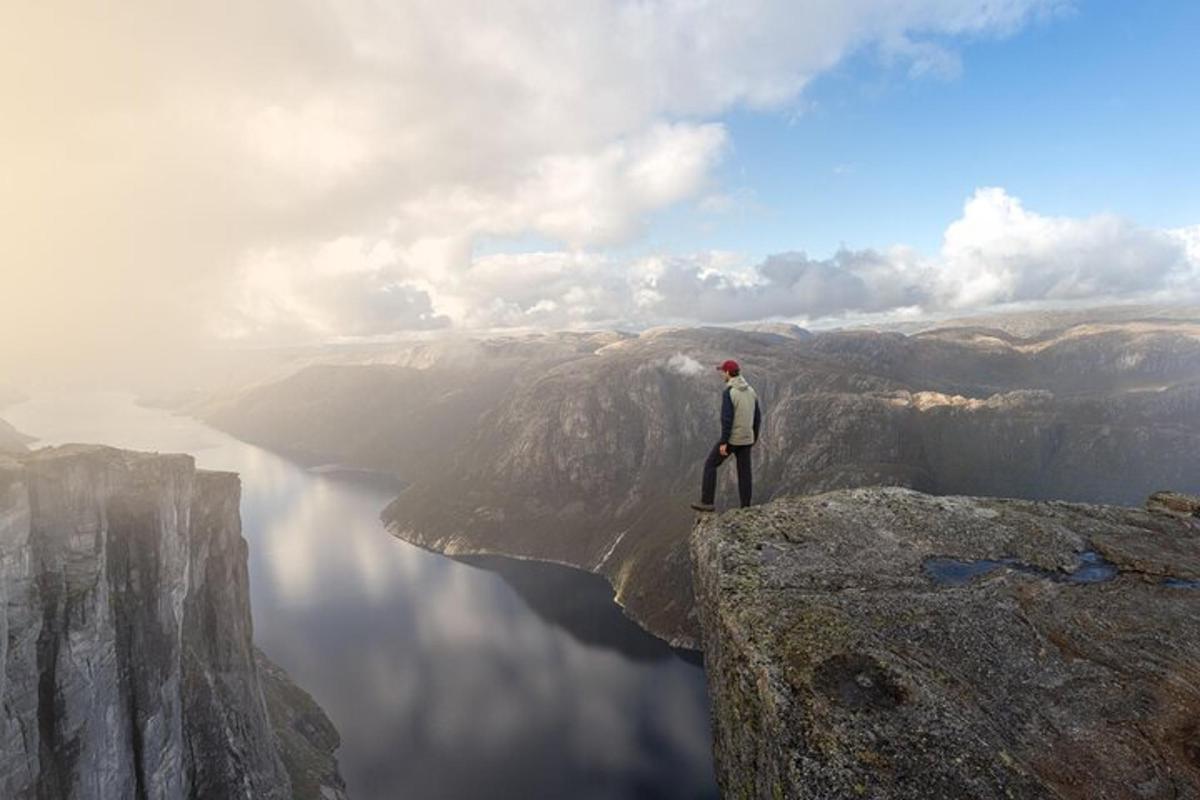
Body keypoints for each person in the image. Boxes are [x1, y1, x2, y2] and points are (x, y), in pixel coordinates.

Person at [692, 359, 761, 512]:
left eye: (723, 371)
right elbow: (757, 417)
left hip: (732, 439)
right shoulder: (751, 391)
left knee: (710, 464)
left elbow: (727, 419)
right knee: (745, 473)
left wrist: (724, 442)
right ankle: (746, 507)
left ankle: (707, 502)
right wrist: (753, 437)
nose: (722, 374)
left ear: (729, 373)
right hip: (747, 439)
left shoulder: (729, 392)